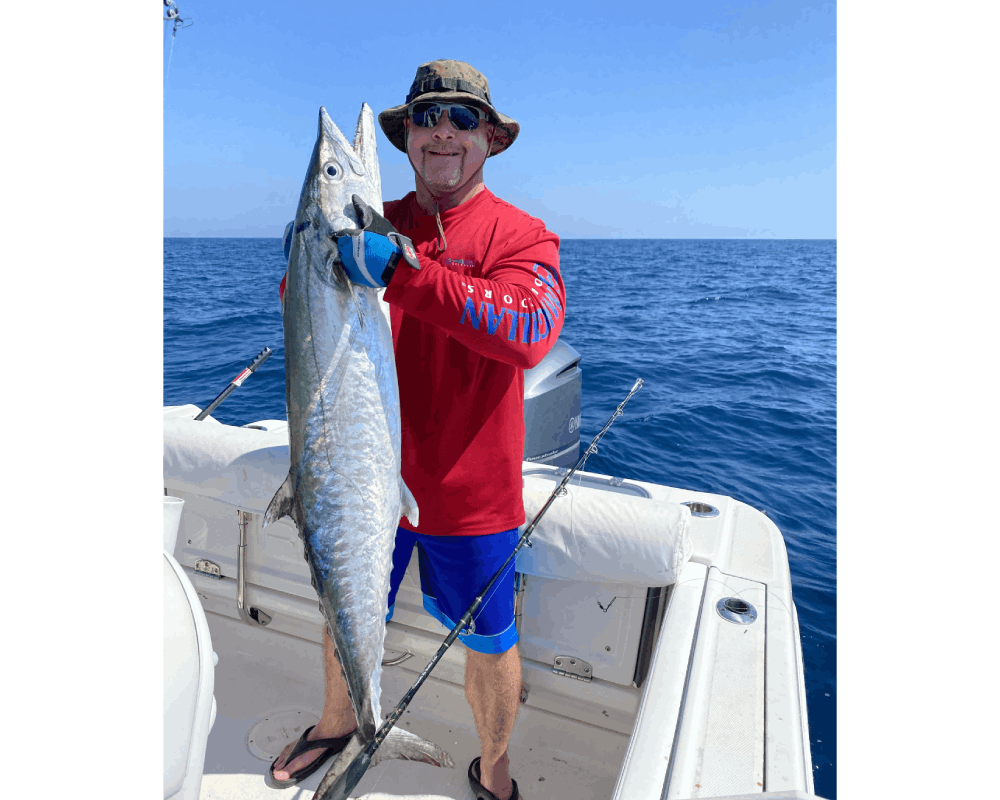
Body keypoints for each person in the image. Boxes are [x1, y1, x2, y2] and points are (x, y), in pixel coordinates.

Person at [270, 59, 566, 800]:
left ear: (491, 139)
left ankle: (492, 769)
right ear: (407, 138)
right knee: (345, 595)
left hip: (472, 497)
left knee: (492, 645)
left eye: (462, 119)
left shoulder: (522, 236)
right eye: (427, 118)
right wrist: (302, 267)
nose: (442, 132)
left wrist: (403, 276)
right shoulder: (370, 220)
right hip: (360, 474)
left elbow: (529, 330)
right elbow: (309, 325)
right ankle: (343, 721)